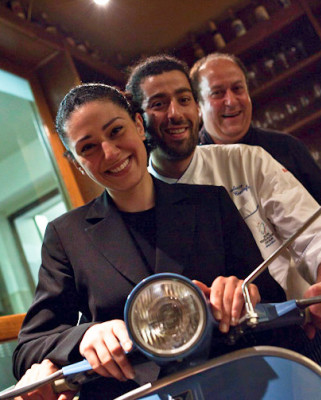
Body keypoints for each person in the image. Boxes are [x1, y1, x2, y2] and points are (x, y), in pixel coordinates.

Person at [125, 54, 321, 398]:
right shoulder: (138, 201)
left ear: (196, 108)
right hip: (218, 365)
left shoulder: (247, 159)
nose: (175, 113)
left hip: (304, 324)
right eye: (158, 104)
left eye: (183, 100)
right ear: (138, 121)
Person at [12, 83, 283, 400]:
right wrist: (85, 335)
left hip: (232, 384)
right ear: (76, 163)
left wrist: (245, 294)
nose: (110, 153)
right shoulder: (65, 235)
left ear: (139, 126)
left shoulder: (211, 203)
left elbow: (272, 297)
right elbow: (28, 348)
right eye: (88, 148)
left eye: (116, 131)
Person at [188, 52, 321, 337]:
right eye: (217, 93)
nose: (231, 101)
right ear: (198, 107)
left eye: (238, 89)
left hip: (320, 303)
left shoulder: (286, 148)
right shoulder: (191, 171)